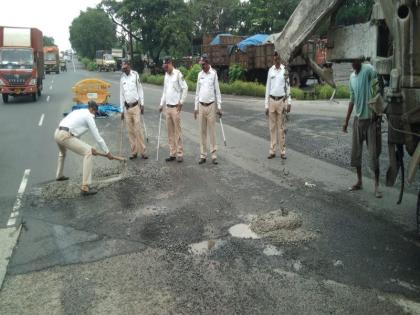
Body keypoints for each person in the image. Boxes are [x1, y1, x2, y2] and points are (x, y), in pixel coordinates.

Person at [54, 100, 114, 196]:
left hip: (57, 133)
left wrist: (88, 147)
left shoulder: (78, 111)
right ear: (92, 109)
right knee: (88, 152)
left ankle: (59, 175)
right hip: (65, 135)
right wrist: (107, 152)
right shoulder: (89, 116)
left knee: (63, 153)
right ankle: (85, 187)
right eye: (95, 112)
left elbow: (76, 136)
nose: (94, 115)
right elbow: (98, 138)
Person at [343, 58, 382, 198]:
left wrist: (378, 111)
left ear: (359, 60)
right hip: (358, 120)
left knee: (374, 155)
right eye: (351, 62)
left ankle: (377, 186)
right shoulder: (352, 77)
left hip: (371, 120)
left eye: (355, 61)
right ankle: (359, 181)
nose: (353, 64)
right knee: (356, 153)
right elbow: (352, 99)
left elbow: (378, 86)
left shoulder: (368, 69)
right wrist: (346, 121)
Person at [194, 54, 222, 165]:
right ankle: (203, 155)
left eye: (204, 64)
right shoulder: (199, 75)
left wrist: (219, 107)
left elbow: (217, 92)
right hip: (201, 105)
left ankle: (214, 155)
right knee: (202, 132)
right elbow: (197, 92)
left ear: (208, 63)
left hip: (211, 105)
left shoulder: (214, 74)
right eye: (201, 65)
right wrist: (195, 108)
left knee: (212, 132)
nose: (202, 66)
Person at [159, 57, 188, 162]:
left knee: (178, 131)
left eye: (166, 67)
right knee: (170, 132)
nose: (165, 69)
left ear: (170, 64)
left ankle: (180, 153)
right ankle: (172, 153)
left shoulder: (178, 74)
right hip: (168, 107)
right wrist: (161, 104)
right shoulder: (166, 75)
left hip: (176, 108)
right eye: (164, 67)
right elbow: (164, 91)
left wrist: (181, 102)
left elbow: (185, 88)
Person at [265, 51, 291, 160]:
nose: (276, 60)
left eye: (278, 58)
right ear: (273, 59)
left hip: (282, 101)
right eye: (275, 58)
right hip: (271, 100)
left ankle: (283, 152)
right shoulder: (270, 71)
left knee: (281, 128)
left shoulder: (285, 71)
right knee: (272, 128)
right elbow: (267, 88)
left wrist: (289, 102)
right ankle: (272, 151)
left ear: (280, 59)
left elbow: (288, 87)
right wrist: (266, 104)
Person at [120, 60, 148, 160]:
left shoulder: (135, 75)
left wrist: (143, 104)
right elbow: (121, 94)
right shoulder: (122, 78)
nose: (124, 70)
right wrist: (121, 110)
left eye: (126, 68)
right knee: (130, 131)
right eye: (123, 68)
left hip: (136, 107)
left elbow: (140, 90)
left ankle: (143, 151)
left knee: (138, 130)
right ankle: (134, 152)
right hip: (127, 108)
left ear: (129, 66)